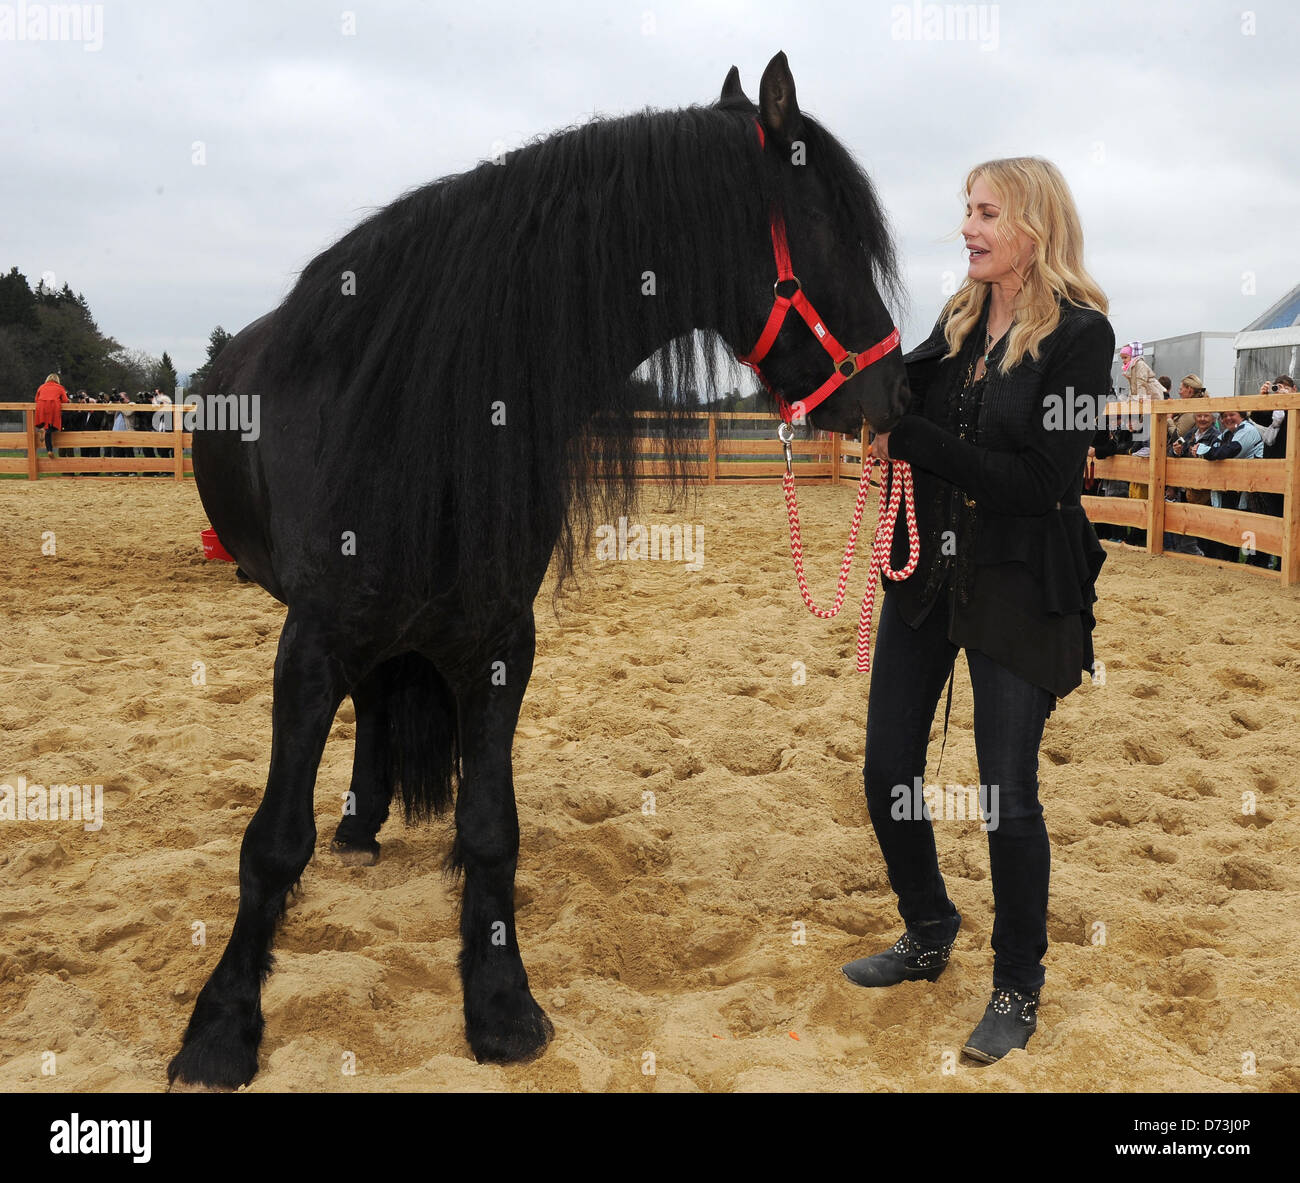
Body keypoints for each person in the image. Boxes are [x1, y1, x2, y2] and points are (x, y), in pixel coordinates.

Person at [847, 157, 1114, 1065]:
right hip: (927, 572)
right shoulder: (957, 321)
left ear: (1035, 227)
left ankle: (1016, 983)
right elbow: (895, 398)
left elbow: (1042, 482)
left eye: (987, 212)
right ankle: (927, 928)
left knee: (1007, 796)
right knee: (888, 767)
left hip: (1019, 583)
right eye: (966, 209)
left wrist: (912, 438)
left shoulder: (1082, 338)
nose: (967, 226)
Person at [1203, 410, 1264, 562]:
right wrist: (1209, 452)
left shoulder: (1247, 430)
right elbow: (1215, 448)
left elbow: (1229, 451)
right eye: (1224, 416)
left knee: (1250, 529)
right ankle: (1230, 561)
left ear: (1242, 416)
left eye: (1232, 415)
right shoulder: (1225, 434)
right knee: (1230, 526)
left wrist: (1206, 452)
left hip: (1253, 489)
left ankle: (1255, 565)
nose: (1228, 419)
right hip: (1232, 487)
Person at [33, 372, 69, 458]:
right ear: (57, 380)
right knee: (53, 428)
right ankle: (48, 446)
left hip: (41, 406)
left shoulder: (41, 387)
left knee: (46, 428)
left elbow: (36, 399)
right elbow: (65, 400)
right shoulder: (60, 387)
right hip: (53, 406)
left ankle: (49, 450)